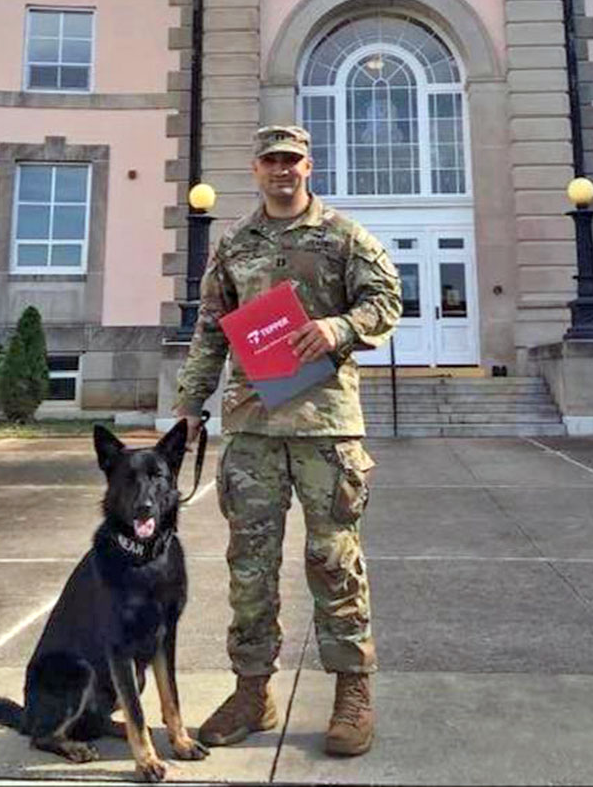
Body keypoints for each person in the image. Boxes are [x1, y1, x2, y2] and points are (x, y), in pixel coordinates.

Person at [173, 125, 402, 757]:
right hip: (251, 425)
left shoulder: (342, 237)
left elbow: (387, 299)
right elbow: (211, 327)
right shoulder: (235, 243)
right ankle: (252, 691)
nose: (282, 170)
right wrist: (190, 404)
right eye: (272, 160)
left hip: (325, 425)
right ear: (256, 168)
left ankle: (353, 691)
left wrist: (338, 327)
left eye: (292, 161)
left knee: (333, 558)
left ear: (309, 166)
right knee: (249, 564)